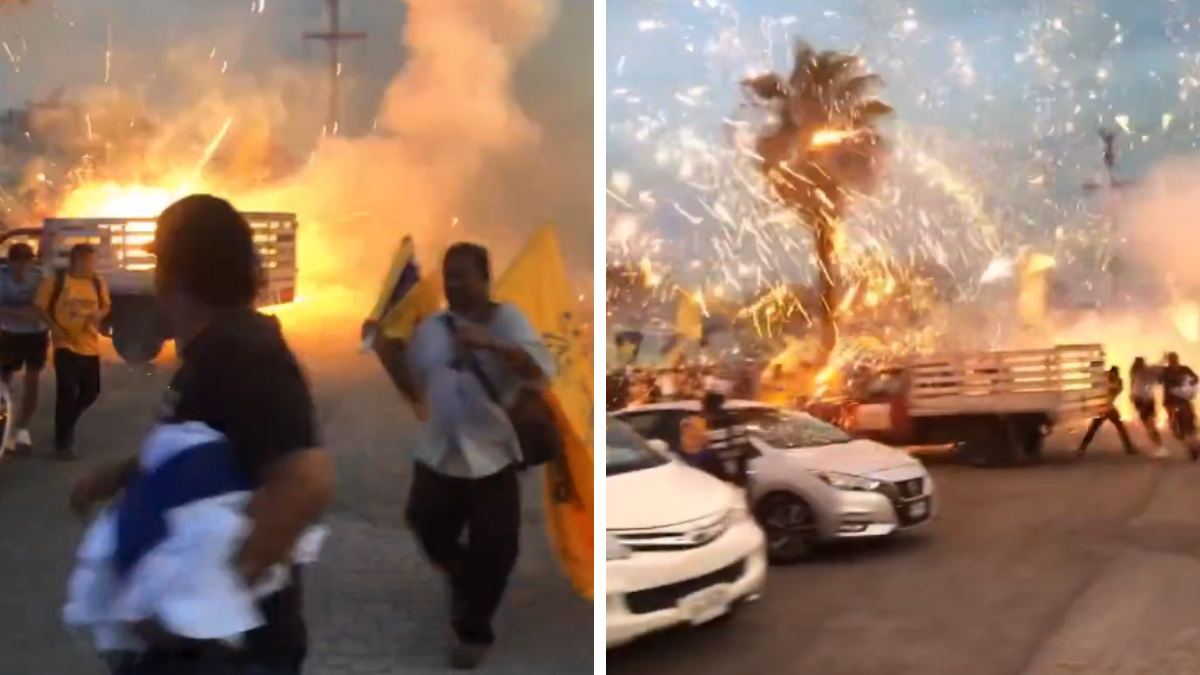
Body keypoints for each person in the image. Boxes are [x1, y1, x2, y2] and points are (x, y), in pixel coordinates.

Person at [67, 195, 334, 674]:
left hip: (231, 652)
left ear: (176, 276)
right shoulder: (216, 349)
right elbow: (216, 445)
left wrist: (204, 606)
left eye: (159, 266)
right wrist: (123, 474)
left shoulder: (243, 351)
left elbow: (305, 481)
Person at [404, 242, 555, 670]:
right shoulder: (431, 327)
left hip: (493, 456)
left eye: (462, 275)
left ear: (485, 278)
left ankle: (474, 629)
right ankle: (463, 576)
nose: (453, 284)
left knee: (498, 548)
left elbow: (540, 374)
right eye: (447, 275)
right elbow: (413, 381)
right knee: (425, 524)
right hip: (439, 453)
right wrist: (382, 347)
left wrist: (494, 344)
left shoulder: (508, 320)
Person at [35, 243, 110, 460]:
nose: (92, 265)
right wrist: (54, 327)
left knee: (91, 392)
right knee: (67, 391)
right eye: (89, 261)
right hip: (65, 344)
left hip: (90, 346)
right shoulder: (57, 281)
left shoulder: (96, 282)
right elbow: (40, 305)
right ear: (77, 261)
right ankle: (63, 444)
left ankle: (66, 424)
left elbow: (106, 306)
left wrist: (99, 315)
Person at [0, 242, 47, 455]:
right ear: (10, 261)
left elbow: (40, 310)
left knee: (32, 382)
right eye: (18, 261)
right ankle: (5, 428)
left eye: (26, 260)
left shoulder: (40, 276)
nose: (22, 265)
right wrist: (22, 313)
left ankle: (21, 429)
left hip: (35, 335)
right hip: (9, 335)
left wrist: (9, 311)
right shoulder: (2, 276)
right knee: (3, 383)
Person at [698, 379, 752, 487]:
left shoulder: (711, 424)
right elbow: (744, 447)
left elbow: (709, 452)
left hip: (718, 478)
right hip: (738, 475)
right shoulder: (735, 419)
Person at [1077, 366, 1136, 457]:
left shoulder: (1114, 382)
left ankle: (1082, 448)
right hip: (1104, 407)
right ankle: (1129, 448)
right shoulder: (1111, 380)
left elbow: (1114, 388)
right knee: (1115, 427)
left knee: (1097, 428)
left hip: (1106, 408)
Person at [1161, 351, 1200, 460]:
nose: (1173, 362)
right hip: (1173, 402)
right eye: (1171, 360)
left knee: (1188, 426)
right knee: (1181, 428)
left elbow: (1195, 379)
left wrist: (1188, 385)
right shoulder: (1166, 371)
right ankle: (1193, 446)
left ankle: (1193, 447)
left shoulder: (1183, 369)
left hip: (1180, 401)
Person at [1129, 356, 1163, 450]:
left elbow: (1132, 386)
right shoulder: (1146, 372)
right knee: (1150, 424)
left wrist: (1131, 396)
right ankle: (1159, 445)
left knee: (1148, 425)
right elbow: (1157, 370)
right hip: (1146, 399)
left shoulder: (1135, 373)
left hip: (1141, 399)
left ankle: (1158, 445)